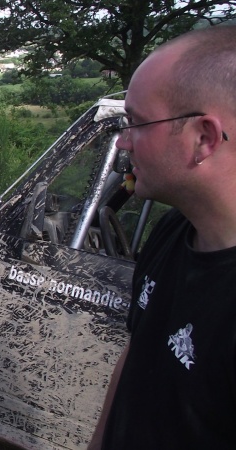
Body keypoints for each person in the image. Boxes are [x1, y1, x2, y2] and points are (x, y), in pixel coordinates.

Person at [88, 25, 236, 449]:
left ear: (203, 138)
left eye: (135, 122)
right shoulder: (174, 229)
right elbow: (136, 356)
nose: (121, 142)